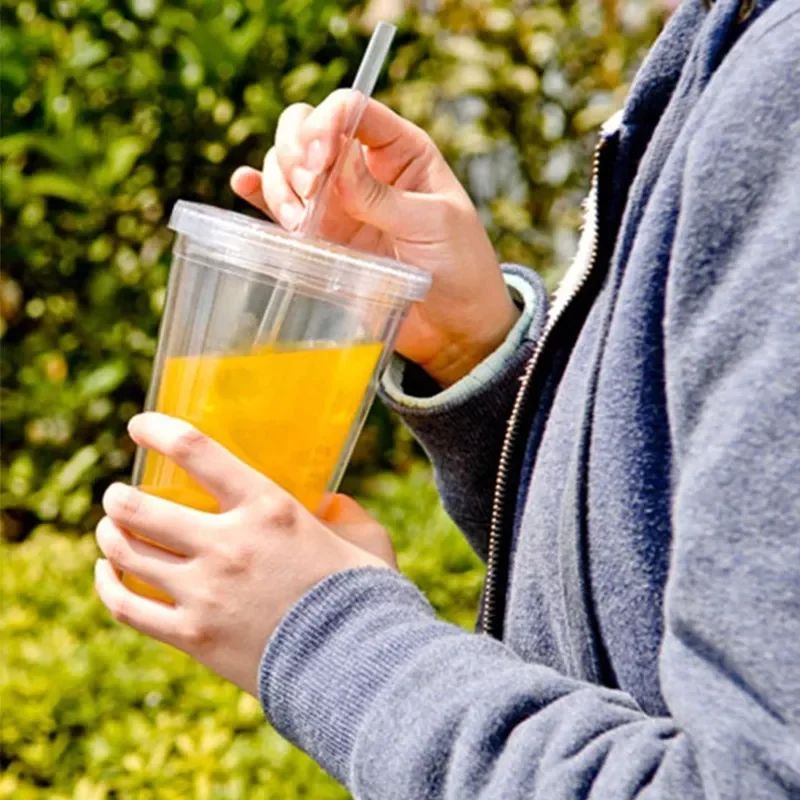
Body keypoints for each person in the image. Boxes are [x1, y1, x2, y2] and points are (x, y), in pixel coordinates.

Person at [93, 0, 800, 796]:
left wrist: (332, 638)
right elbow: (651, 569)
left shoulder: (781, 82)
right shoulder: (728, 38)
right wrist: (479, 362)